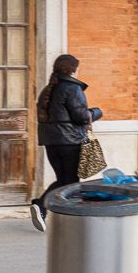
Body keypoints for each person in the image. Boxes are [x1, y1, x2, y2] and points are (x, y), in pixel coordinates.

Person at [30, 54, 101, 229]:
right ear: (73, 70)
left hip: (51, 142)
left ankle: (43, 208)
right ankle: (64, 216)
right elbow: (81, 116)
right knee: (71, 183)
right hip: (70, 142)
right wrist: (97, 112)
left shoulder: (48, 90)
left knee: (63, 180)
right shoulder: (72, 88)